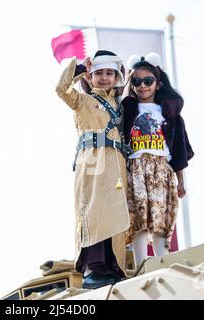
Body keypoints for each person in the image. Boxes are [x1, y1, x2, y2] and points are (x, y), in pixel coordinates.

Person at [56, 50, 130, 289]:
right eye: (99, 73)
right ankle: (95, 268)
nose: (105, 78)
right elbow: (61, 89)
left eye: (110, 73)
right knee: (95, 212)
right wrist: (79, 69)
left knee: (115, 213)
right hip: (92, 163)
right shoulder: (83, 100)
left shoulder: (120, 105)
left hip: (117, 164)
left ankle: (114, 267)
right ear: (90, 77)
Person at [121, 53, 194, 267]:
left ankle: (163, 263)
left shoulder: (170, 113)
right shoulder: (127, 110)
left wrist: (181, 180)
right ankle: (141, 264)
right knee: (139, 215)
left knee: (161, 217)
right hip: (135, 167)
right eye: (136, 81)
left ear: (158, 83)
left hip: (162, 168)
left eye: (148, 81)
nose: (143, 86)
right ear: (131, 84)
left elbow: (179, 150)